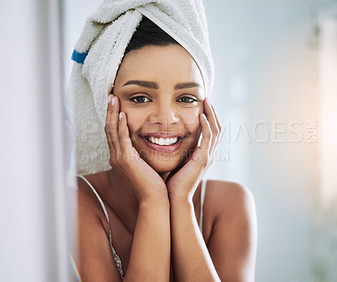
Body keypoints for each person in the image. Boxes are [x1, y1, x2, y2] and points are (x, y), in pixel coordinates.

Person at [70, 3, 257, 281]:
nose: (167, 119)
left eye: (185, 98)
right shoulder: (75, 203)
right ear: (105, 105)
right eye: (140, 98)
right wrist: (153, 200)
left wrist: (180, 200)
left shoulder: (229, 204)